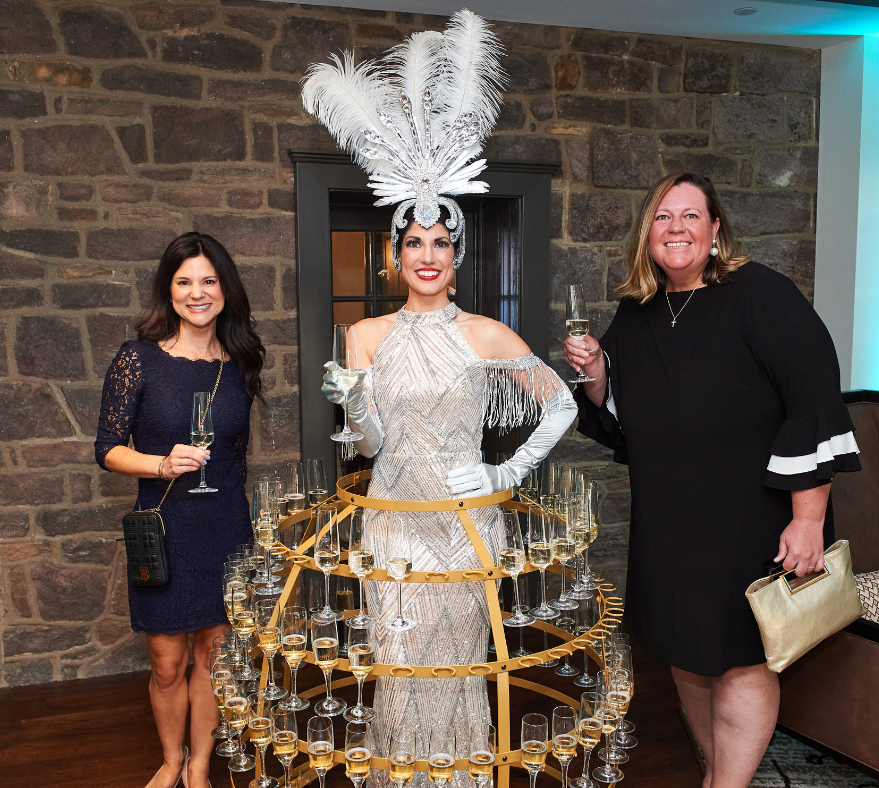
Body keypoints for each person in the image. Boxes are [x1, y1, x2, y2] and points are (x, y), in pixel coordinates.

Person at [306, 12, 576, 785]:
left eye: (441, 242)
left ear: (457, 255)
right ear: (396, 257)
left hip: (465, 525)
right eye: (413, 242)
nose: (427, 255)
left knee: (458, 667)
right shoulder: (361, 337)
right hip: (392, 522)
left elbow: (559, 406)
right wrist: (354, 405)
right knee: (397, 670)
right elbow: (367, 448)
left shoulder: (490, 335)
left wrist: (504, 475)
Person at [564, 172, 861, 788]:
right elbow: (619, 411)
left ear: (716, 228)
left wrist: (808, 520)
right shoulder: (639, 310)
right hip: (671, 522)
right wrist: (595, 371)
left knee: (744, 658)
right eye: (664, 217)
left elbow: (813, 401)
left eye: (691, 216)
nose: (677, 228)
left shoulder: (762, 296)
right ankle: (717, 774)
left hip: (752, 520)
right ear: (647, 234)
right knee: (687, 656)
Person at [95, 232, 265, 788]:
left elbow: (236, 456)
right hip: (164, 530)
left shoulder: (239, 360)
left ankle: (198, 765)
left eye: (209, 281)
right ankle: (170, 761)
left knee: (213, 658)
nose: (198, 293)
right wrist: (163, 465)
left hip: (223, 529)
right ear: (168, 291)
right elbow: (108, 450)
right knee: (168, 663)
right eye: (185, 281)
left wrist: (244, 532)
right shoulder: (138, 360)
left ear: (225, 289)